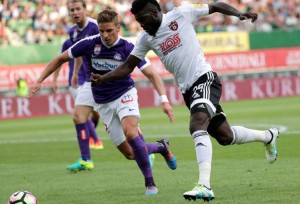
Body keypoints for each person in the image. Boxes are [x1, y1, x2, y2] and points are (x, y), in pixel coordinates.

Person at [90, 0, 279, 202]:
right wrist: (104, 77)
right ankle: (268, 136)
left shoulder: (181, 14)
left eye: (142, 19)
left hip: (204, 78)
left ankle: (204, 186)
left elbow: (214, 6)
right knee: (226, 137)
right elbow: (128, 67)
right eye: (137, 21)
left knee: (197, 124)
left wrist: (238, 13)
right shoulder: (145, 38)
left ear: (154, 12)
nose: (140, 24)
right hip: (188, 91)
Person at [28, 9, 177, 196]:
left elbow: (152, 74)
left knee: (131, 132)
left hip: (125, 94)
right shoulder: (89, 44)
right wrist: (39, 80)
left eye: (109, 31)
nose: (105, 35)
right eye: (101, 31)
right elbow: (60, 59)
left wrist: (164, 100)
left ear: (118, 28)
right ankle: (161, 146)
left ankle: (150, 184)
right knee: (131, 154)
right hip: (102, 103)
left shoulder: (129, 47)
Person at [62, 0, 104, 171]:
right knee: (78, 116)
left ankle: (145, 151)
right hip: (88, 80)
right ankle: (86, 159)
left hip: (107, 79)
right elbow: (78, 53)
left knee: (120, 123)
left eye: (78, 9)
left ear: (86, 10)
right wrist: (74, 74)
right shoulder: (73, 32)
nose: (75, 12)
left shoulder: (96, 27)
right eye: (72, 10)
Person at [52, 38, 103, 151]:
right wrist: (55, 79)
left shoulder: (93, 39)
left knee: (95, 114)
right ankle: (95, 140)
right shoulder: (68, 42)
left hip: (91, 81)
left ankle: (88, 134)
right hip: (76, 83)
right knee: (82, 114)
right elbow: (59, 60)